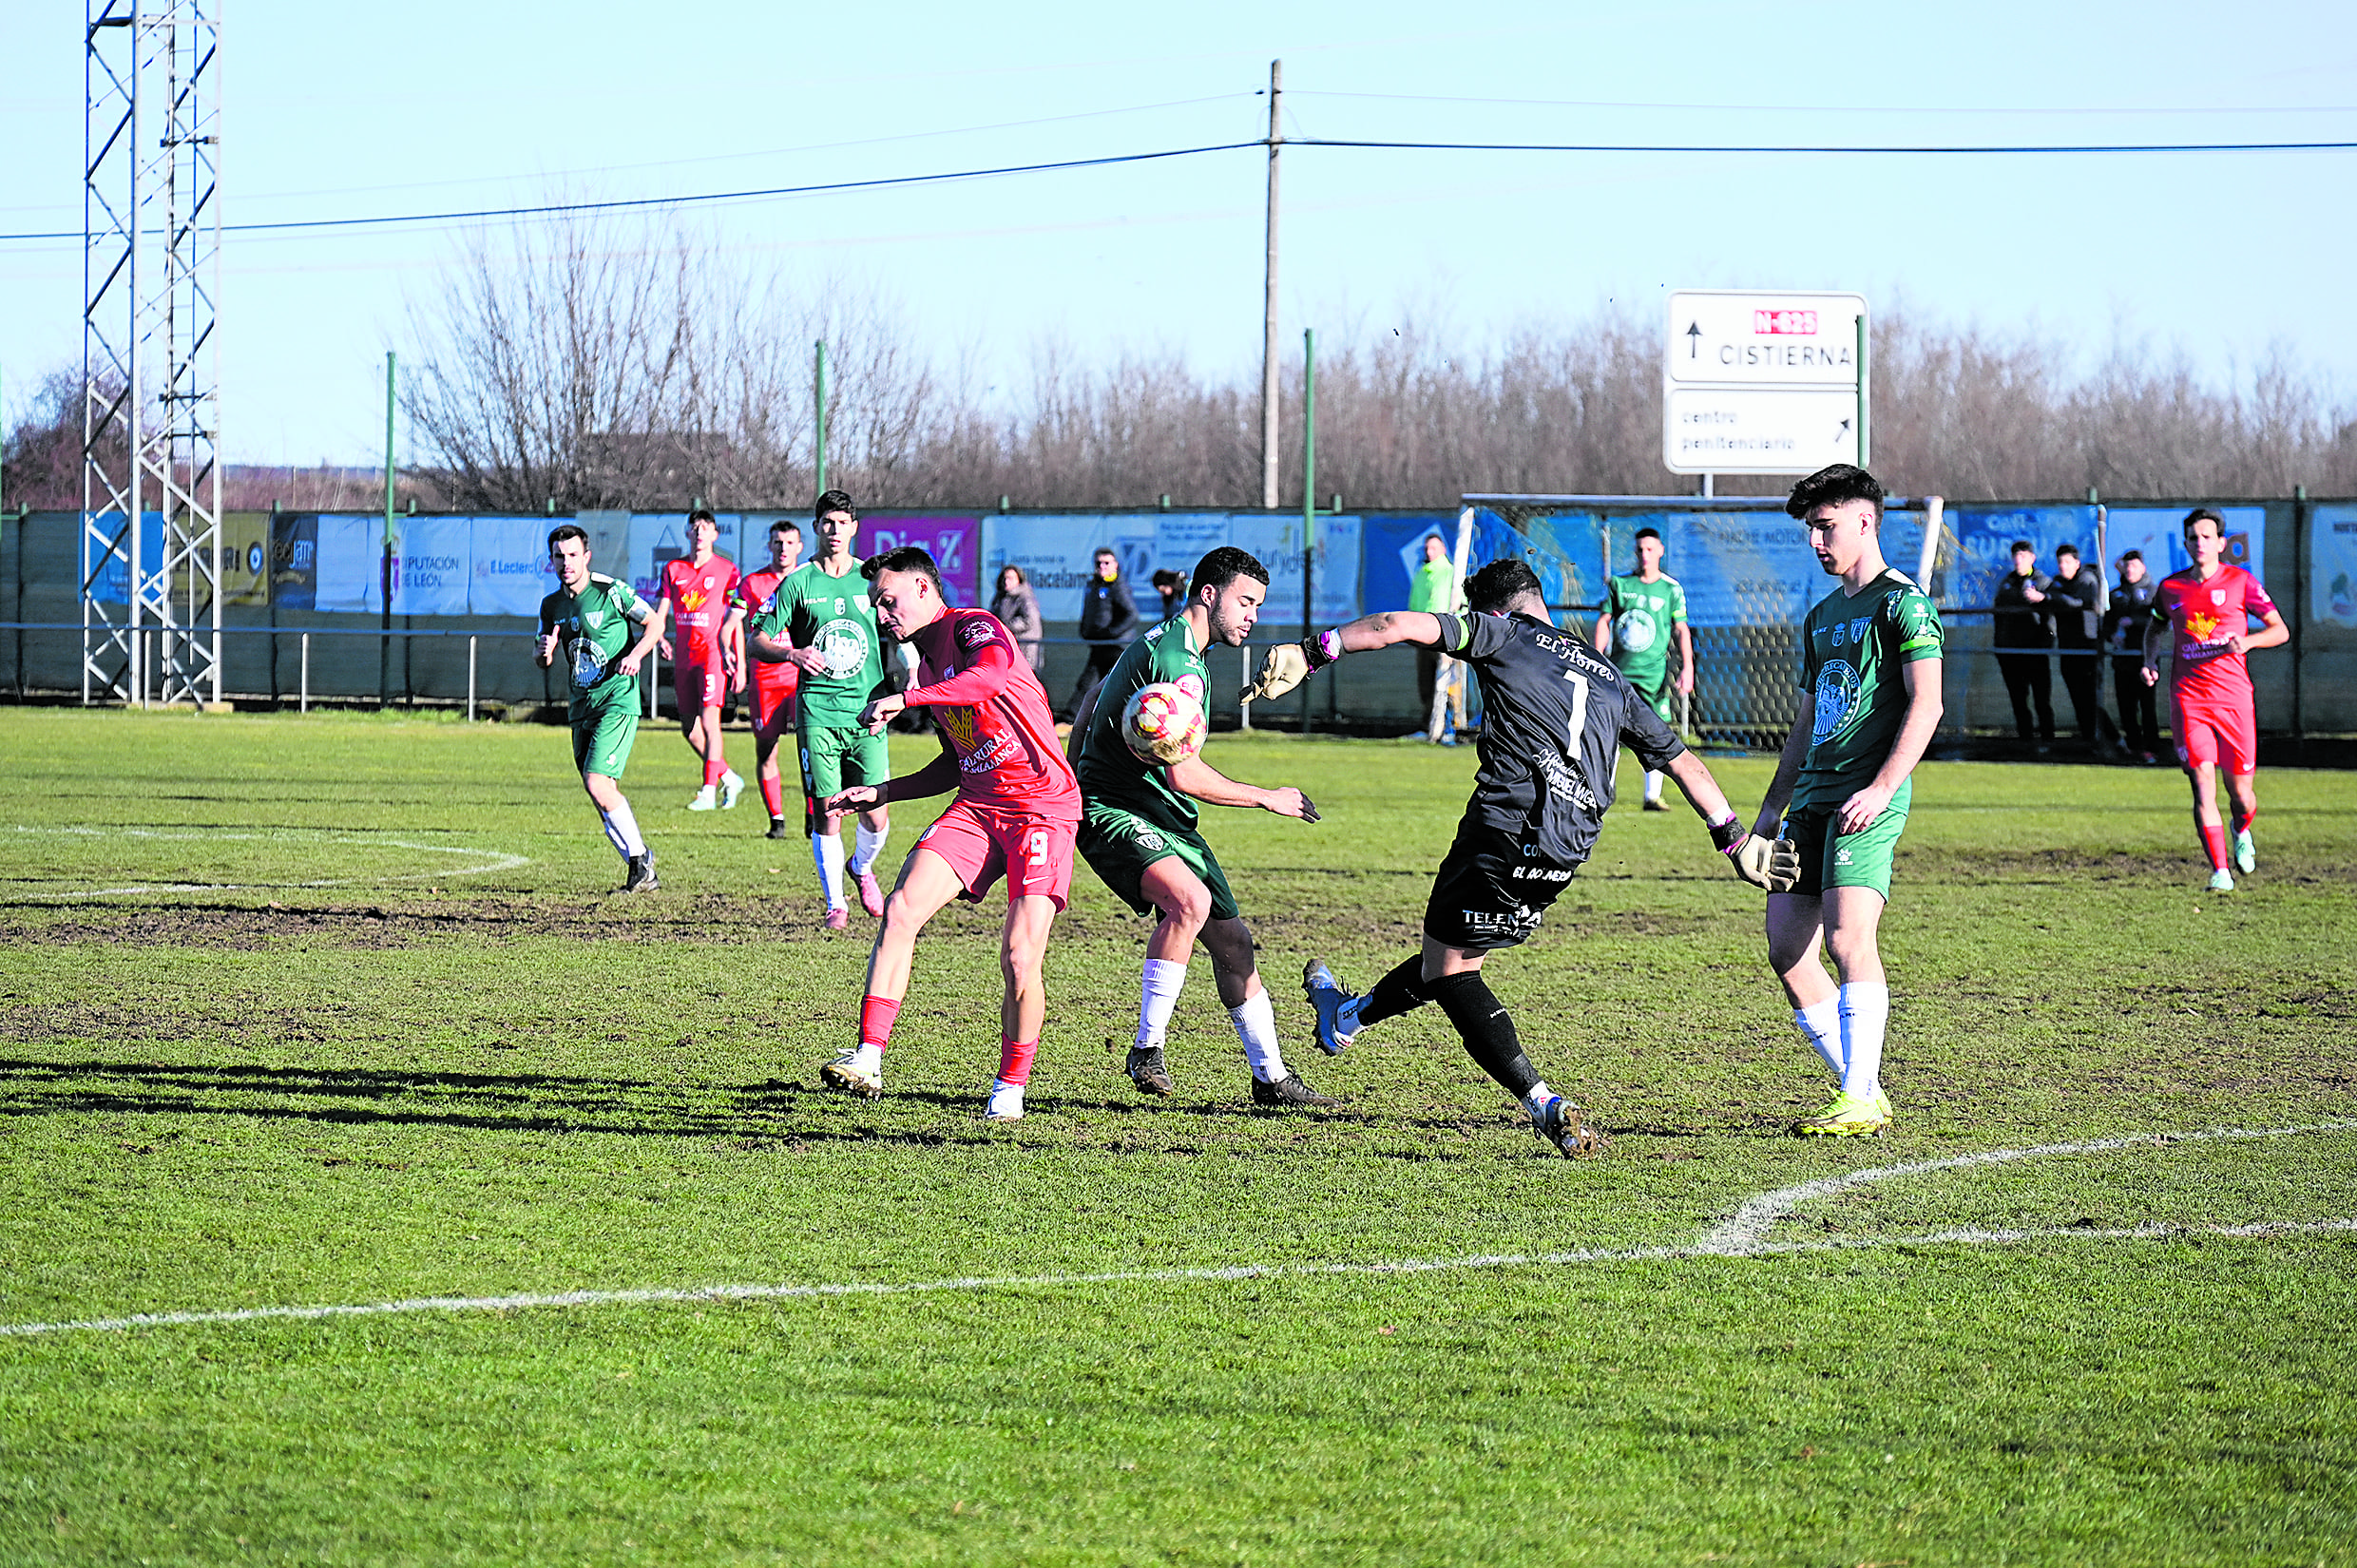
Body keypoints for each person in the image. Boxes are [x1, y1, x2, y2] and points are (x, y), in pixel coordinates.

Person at [1254, 558, 1797, 1158]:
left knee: (1450, 971)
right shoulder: (1614, 679)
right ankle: (1345, 1020)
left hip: (1503, 831)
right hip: (1565, 853)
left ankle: (1543, 1103)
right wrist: (1736, 840)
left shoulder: (1502, 635)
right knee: (1456, 952)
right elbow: (1682, 763)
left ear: (1490, 611)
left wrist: (1312, 651)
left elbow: (1394, 625)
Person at [820, 545, 1083, 1122]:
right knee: (902, 908)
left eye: (888, 601)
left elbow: (987, 677)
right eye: (874, 604)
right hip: (980, 806)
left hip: (1041, 807)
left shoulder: (972, 627)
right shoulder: (929, 664)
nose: (881, 614)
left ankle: (1011, 1087)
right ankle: (867, 1057)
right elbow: (954, 763)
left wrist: (907, 698)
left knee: (1018, 956)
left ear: (923, 589)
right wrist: (883, 791)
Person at [1069, 545, 1333, 1109]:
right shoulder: (1178, 664)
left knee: (1234, 944)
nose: (1253, 616)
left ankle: (1271, 1078)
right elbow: (1184, 773)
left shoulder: (1171, 645)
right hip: (1117, 809)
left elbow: (1096, 697)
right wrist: (1269, 798)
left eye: (1259, 606)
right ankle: (1147, 1049)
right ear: (1209, 595)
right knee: (1188, 903)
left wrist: (1076, 760)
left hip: (1163, 817)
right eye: (1246, 602)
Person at [1748, 464, 1945, 1138]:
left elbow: (1929, 703)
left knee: (1847, 938)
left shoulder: (1903, 604)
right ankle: (1863, 1087)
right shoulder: (1823, 615)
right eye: (1810, 528)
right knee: (1785, 951)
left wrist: (1883, 787)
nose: (1815, 541)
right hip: (1807, 802)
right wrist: (1771, 811)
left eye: (1825, 526)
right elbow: (1805, 723)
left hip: (1866, 800)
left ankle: (1859, 1093)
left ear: (1865, 522)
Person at [743, 490, 892, 930]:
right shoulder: (798, 583)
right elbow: (757, 639)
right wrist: (792, 655)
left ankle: (862, 867)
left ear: (854, 528)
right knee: (826, 810)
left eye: (842, 522)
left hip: (867, 713)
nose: (834, 531)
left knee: (877, 811)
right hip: (817, 713)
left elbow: (904, 629)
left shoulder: (872, 578)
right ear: (816, 527)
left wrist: (913, 681)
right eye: (826, 522)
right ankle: (836, 904)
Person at [2142, 508, 2289, 891]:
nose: (2200, 543)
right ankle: (2220, 871)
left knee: (2240, 794)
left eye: (2207, 537)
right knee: (2201, 781)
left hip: (2234, 701)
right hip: (2189, 700)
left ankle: (2241, 830)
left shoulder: (2242, 582)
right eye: (2193, 537)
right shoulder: (2171, 588)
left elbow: (2280, 630)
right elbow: (2154, 627)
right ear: (2187, 543)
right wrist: (2149, 660)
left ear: (2222, 543)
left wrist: (2251, 641)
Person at [535, 525, 665, 893]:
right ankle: (643, 871)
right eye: (559, 556)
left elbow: (654, 622)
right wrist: (542, 652)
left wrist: (637, 655)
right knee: (600, 795)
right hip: (581, 707)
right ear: (552, 561)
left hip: (617, 700)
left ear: (586, 556)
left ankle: (640, 862)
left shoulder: (611, 591)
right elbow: (541, 656)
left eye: (573, 555)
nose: (566, 563)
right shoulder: (552, 606)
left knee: (597, 783)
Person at [648, 507, 745, 812]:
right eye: (695, 527)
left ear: (715, 534)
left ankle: (708, 790)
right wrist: (659, 637)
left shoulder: (728, 570)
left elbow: (736, 620)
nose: (700, 533)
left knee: (709, 720)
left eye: (706, 528)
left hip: (713, 655)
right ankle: (729, 777)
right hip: (684, 657)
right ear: (687, 533)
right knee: (689, 730)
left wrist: (740, 662)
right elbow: (661, 612)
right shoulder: (673, 569)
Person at [1593, 526, 1695, 810]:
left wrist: (1688, 668)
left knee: (1654, 735)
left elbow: (1681, 630)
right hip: (1619, 674)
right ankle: (1604, 792)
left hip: (1654, 677)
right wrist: (1597, 657)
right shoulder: (1620, 585)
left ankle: (1652, 796)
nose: (1645, 555)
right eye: (1640, 550)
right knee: (1608, 734)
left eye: (1650, 549)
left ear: (1661, 551)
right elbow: (1604, 621)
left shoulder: (1671, 589)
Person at [730, 519, 807, 838]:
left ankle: (814, 816)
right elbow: (731, 623)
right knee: (766, 750)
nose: (783, 548)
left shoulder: (809, 579)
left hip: (803, 677)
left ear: (800, 547)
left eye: (790, 543)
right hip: (765, 678)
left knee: (811, 749)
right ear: (769, 545)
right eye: (778, 542)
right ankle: (776, 819)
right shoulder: (752, 583)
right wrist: (738, 663)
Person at [2046, 543, 2117, 753]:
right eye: (2060, 562)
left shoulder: (2087, 580)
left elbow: (2079, 602)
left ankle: (2112, 739)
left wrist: (2051, 598)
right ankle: (2089, 740)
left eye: (2067, 562)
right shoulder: (2057, 583)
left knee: (2091, 697)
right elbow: (2050, 599)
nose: (2063, 566)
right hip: (2067, 649)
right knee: (2078, 698)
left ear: (2077, 563)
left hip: (2087, 649)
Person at [1991, 540, 2054, 749]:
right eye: (2016, 556)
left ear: (2032, 558)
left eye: (2024, 556)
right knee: (2019, 699)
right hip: (2011, 651)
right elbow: (1998, 613)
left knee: (2041, 700)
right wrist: (1999, 645)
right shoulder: (2007, 582)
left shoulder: (2043, 581)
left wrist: (2042, 599)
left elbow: (2052, 612)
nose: (2019, 560)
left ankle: (2048, 741)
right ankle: (2025, 741)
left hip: (2035, 651)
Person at [1065, 546, 1139, 720]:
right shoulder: (1094, 585)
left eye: (1107, 563)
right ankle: (1071, 720)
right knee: (1087, 684)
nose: (1102, 566)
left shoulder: (1118, 585)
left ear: (1115, 565)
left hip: (1116, 647)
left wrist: (1110, 633)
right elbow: (1090, 612)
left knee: (1121, 687)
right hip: (1100, 646)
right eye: (1099, 563)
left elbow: (1132, 614)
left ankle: (1134, 720)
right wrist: (1086, 630)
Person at [2102, 549, 2161, 762]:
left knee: (2147, 706)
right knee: (2126, 707)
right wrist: (2111, 636)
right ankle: (2134, 748)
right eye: (2127, 566)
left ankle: (2152, 748)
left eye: (2134, 566)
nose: (2130, 570)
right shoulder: (2116, 594)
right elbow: (2106, 625)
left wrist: (2134, 622)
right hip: (2122, 659)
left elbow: (2159, 622)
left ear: (2143, 568)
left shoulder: (2154, 592)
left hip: (2145, 658)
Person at [1407, 533, 1464, 735]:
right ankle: (1428, 726)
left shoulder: (1451, 573)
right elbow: (1414, 604)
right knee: (1426, 682)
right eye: (1427, 548)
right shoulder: (1421, 573)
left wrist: (1455, 634)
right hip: (1422, 637)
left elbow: (1461, 605)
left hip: (1444, 638)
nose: (1429, 552)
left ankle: (1452, 727)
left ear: (1443, 550)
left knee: (1448, 681)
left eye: (1434, 548)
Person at [991, 564, 1044, 671]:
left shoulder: (1026, 598)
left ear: (1019, 580)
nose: (1006, 581)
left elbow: (1029, 621)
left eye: (1010, 578)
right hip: (1008, 647)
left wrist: (1004, 628)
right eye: (1004, 578)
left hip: (1024, 648)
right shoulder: (1001, 597)